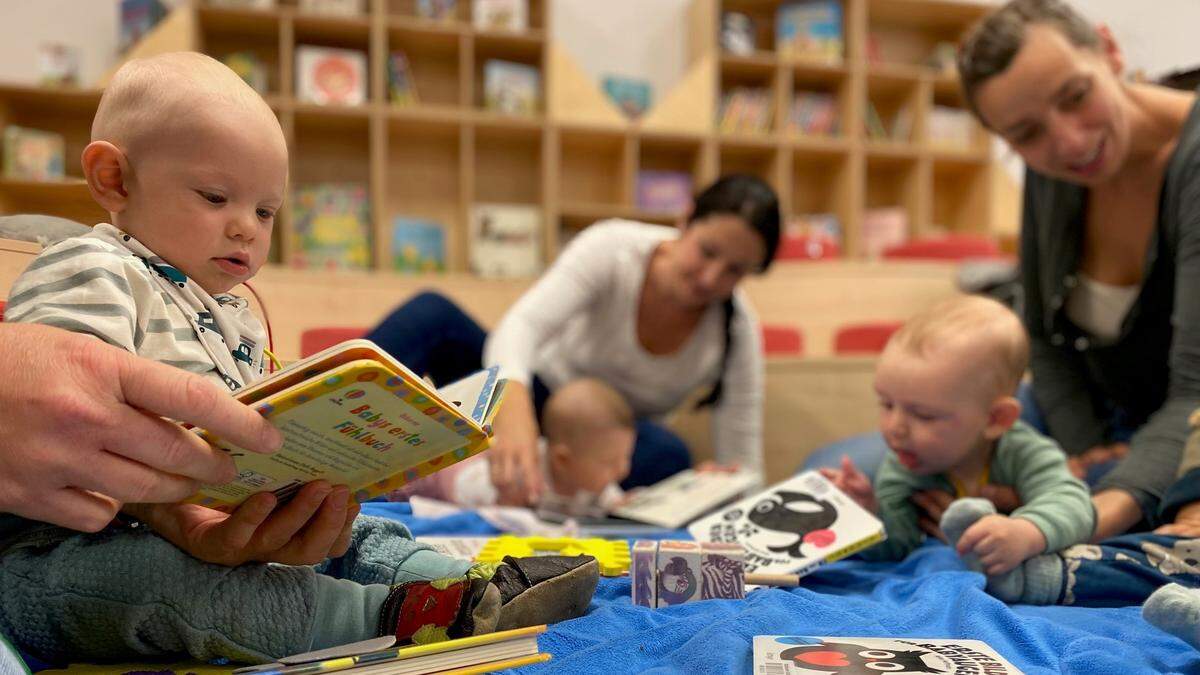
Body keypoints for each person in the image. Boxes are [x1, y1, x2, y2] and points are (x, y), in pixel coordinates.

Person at [0, 52, 597, 666]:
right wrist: (176, 505)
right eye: (215, 197)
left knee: (350, 523)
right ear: (115, 179)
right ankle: (397, 618)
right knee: (175, 585)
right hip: (69, 549)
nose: (247, 230)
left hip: (225, 514)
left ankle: (458, 583)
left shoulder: (234, 312)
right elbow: (70, 420)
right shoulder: (89, 268)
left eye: (264, 212)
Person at [809, 0, 1200, 543]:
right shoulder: (1056, 170)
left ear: (1109, 51)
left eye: (1076, 96)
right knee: (833, 478)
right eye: (1027, 134)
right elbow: (1042, 337)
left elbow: (1195, 387)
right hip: (1082, 421)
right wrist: (1078, 459)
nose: (1067, 141)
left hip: (1187, 430)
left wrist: (1075, 517)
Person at [367, 175, 781, 505]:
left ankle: (553, 489)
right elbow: (520, 327)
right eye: (707, 252)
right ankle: (312, 428)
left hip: (605, 442)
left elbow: (743, 462)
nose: (711, 278)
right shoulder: (614, 248)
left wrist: (718, 490)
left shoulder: (737, 329)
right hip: (538, 394)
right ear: (685, 219)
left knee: (670, 456)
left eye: (734, 271)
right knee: (432, 313)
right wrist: (513, 404)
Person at [822, 295, 1095, 601]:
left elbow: (1075, 504)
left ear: (995, 418)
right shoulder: (905, 462)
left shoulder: (1025, 451)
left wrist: (1026, 530)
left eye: (923, 415)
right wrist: (870, 513)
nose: (894, 427)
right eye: (886, 404)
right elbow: (900, 545)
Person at [392, 378, 635, 515]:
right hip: (456, 472)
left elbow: (609, 498)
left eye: (625, 458)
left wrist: (624, 506)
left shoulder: (596, 482)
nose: (623, 470)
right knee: (424, 465)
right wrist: (502, 502)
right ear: (563, 460)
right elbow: (464, 488)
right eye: (610, 463)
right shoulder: (521, 475)